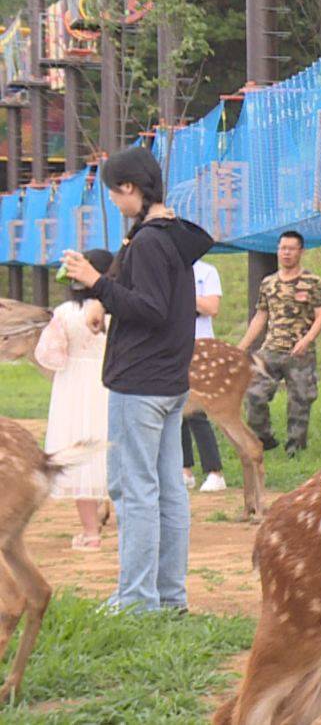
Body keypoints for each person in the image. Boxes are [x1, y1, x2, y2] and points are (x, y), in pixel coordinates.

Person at [62, 146, 214, 614]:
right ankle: (169, 597)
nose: (113, 200)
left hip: (140, 383)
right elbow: (149, 296)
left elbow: (147, 308)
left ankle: (136, 600)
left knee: (135, 491)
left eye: (114, 191)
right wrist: (102, 299)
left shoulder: (148, 242)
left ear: (130, 189)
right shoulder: (169, 235)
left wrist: (95, 283)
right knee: (167, 490)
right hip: (169, 382)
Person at [33, 249, 114, 552]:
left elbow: (49, 356)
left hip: (74, 388)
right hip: (112, 380)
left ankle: (91, 534)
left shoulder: (65, 312)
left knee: (82, 456)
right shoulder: (116, 311)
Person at [239, 231, 321, 457]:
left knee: (300, 401)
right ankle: (264, 438)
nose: (286, 253)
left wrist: (306, 341)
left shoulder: (313, 282)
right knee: (253, 393)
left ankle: (294, 451)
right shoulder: (268, 283)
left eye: (291, 249)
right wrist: (242, 346)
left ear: (301, 251)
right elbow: (260, 316)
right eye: (282, 248)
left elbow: (320, 316)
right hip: (270, 350)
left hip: (299, 352)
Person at [182, 259, 227, 492]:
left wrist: (183, 291)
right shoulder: (166, 268)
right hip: (172, 346)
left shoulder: (206, 271)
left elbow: (211, 308)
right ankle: (185, 469)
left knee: (197, 411)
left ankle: (214, 471)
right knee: (175, 409)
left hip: (200, 347)